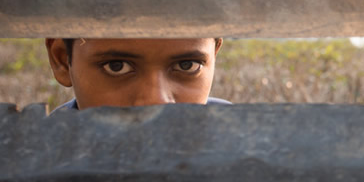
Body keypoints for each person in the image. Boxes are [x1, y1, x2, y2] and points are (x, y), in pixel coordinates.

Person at [45, 37, 229, 111]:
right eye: (117, 66)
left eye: (187, 65)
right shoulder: (37, 166)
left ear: (214, 55)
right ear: (62, 60)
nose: (155, 101)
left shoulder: (240, 146)